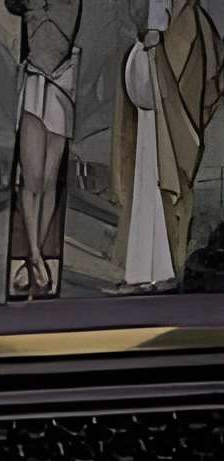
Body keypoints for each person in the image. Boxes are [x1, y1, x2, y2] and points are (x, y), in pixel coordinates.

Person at [112, 0, 223, 289]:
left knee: (165, 188)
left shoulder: (189, 22)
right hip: (151, 112)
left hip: (167, 116)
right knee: (145, 186)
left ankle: (162, 270)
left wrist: (154, 49)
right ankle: (141, 271)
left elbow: (194, 80)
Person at [5, 0, 81, 297]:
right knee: (32, 179)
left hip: (62, 86)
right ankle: (35, 255)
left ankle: (33, 257)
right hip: (36, 82)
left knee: (48, 181)